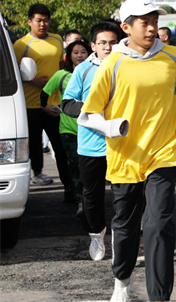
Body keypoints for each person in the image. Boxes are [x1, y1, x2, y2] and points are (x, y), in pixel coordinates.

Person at [77, 0, 176, 302]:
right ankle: (121, 280)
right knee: (126, 224)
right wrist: (111, 127)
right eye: (144, 22)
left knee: (159, 223)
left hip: (164, 152)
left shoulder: (174, 56)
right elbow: (88, 114)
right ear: (126, 27)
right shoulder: (113, 63)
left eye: (155, 22)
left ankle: (159, 297)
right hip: (126, 155)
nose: (151, 28)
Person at [62, 21, 120, 261]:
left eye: (112, 42)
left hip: (122, 144)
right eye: (102, 43)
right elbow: (67, 103)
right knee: (92, 195)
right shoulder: (83, 69)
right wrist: (90, 108)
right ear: (93, 45)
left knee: (124, 193)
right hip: (91, 145)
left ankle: (121, 238)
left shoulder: (127, 66)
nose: (107, 47)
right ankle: (97, 235)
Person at [14, 4, 70, 190]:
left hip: (54, 102)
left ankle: (69, 184)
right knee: (35, 143)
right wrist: (33, 81)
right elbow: (15, 72)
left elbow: (60, 67)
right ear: (30, 21)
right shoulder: (21, 44)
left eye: (46, 20)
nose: (43, 24)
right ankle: (36, 174)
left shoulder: (57, 39)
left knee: (59, 143)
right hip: (31, 104)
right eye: (39, 20)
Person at [40, 40, 91, 209]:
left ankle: (88, 199)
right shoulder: (61, 75)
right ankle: (80, 201)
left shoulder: (97, 72)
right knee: (75, 167)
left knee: (89, 169)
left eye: (83, 52)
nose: (79, 55)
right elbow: (44, 94)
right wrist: (46, 108)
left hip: (92, 130)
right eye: (75, 52)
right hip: (69, 130)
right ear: (69, 56)